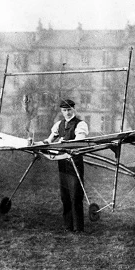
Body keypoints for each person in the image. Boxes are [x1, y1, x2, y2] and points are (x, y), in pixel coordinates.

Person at [43, 99, 89, 233]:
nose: (67, 113)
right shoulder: (59, 124)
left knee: (76, 196)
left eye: (69, 110)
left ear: (73, 109)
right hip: (62, 163)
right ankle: (68, 226)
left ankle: (79, 228)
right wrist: (40, 143)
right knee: (65, 196)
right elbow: (49, 139)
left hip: (75, 162)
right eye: (64, 110)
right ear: (61, 111)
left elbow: (79, 142)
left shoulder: (81, 124)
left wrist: (64, 142)